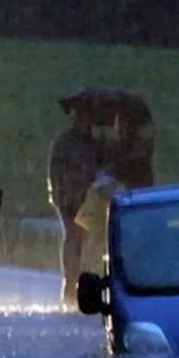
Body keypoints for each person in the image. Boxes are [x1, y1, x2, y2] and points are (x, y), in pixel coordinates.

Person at [48, 106, 101, 307]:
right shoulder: (64, 142)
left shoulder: (94, 144)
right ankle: (71, 283)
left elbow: (100, 167)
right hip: (70, 197)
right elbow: (55, 171)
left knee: (82, 239)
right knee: (72, 237)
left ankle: (78, 282)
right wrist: (59, 194)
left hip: (87, 197)